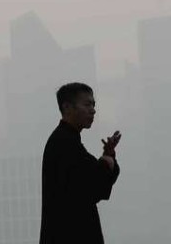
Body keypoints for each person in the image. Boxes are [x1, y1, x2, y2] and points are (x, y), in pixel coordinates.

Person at [40, 82, 121, 244]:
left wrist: (108, 156)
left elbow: (91, 176)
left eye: (93, 104)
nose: (93, 110)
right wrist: (108, 160)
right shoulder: (65, 143)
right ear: (67, 107)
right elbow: (93, 185)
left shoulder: (65, 140)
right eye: (87, 104)